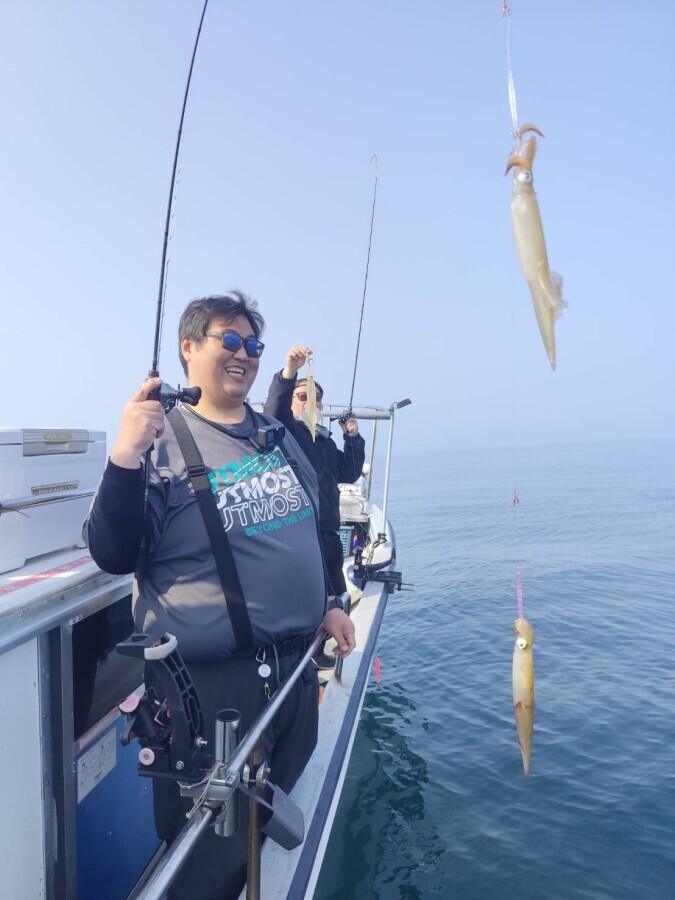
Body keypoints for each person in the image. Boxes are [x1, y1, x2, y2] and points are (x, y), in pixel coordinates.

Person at [86, 292, 355, 900]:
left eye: (252, 344)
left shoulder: (278, 435)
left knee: (264, 827)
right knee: (204, 858)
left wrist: (331, 602)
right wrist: (124, 456)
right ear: (189, 348)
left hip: (294, 677)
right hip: (208, 699)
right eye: (228, 340)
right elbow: (113, 553)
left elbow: (316, 526)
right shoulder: (160, 442)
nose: (244, 354)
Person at [264, 345, 365, 668]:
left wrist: (352, 438)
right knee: (312, 599)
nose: (311, 402)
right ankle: (302, 657)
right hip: (301, 536)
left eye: (316, 398)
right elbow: (274, 410)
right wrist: (289, 371)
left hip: (330, 536)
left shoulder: (326, 442)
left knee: (337, 596)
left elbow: (349, 471)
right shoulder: (286, 433)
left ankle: (324, 651)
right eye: (302, 396)